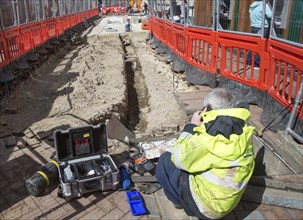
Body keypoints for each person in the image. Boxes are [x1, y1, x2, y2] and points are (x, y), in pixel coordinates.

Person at [156, 88, 255, 219]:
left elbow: (178, 158)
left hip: (205, 208)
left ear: (208, 108)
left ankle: (179, 202)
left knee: (165, 160)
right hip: (227, 204)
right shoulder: (243, 129)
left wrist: (191, 127)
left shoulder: (210, 135)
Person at [246, 0, 272, 67]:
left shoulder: (252, 5)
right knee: (261, 46)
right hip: (262, 28)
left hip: (253, 27)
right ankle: (255, 63)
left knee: (253, 45)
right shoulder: (264, 5)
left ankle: (249, 61)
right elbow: (270, 15)